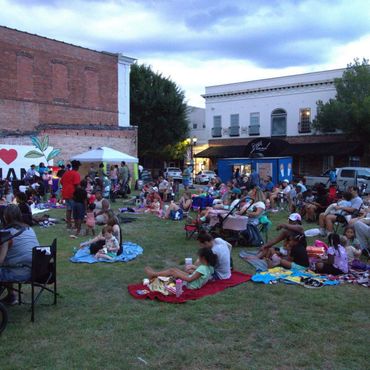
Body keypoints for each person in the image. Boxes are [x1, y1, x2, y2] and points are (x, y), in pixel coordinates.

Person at [0, 204, 40, 305]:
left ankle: (11, 296)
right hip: (37, 270)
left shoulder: (6, 234)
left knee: (5, 266)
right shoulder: (29, 229)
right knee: (11, 262)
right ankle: (11, 296)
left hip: (20, 272)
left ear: (5, 217)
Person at [144, 247, 217, 290]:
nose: (198, 258)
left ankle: (153, 274)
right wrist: (191, 271)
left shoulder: (202, 268)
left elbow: (189, 279)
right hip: (192, 281)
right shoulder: (210, 267)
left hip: (190, 285)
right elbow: (198, 276)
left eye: (199, 257)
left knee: (172, 271)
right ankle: (154, 274)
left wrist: (179, 275)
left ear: (203, 258)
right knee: (174, 270)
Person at [60, 160, 81, 229]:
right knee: (75, 210)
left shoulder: (66, 173)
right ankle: (76, 225)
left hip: (65, 193)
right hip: (72, 194)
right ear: (77, 167)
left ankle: (68, 225)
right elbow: (77, 185)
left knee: (68, 209)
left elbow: (61, 182)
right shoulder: (76, 174)